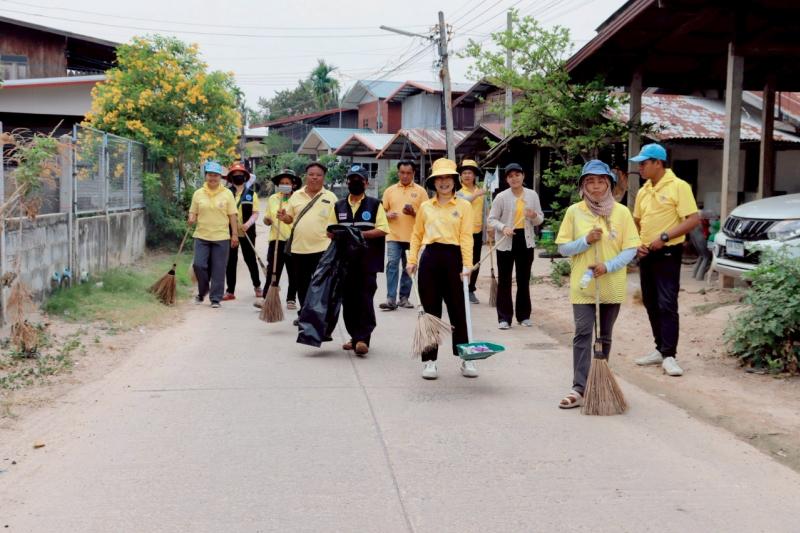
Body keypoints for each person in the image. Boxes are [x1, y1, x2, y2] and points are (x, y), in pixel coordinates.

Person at [555, 160, 640, 409]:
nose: (595, 186)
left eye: (601, 181)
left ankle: (599, 382)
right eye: (590, 181)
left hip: (611, 283)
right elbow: (563, 248)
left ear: (609, 184)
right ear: (583, 185)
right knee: (583, 332)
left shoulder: (621, 213)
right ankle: (579, 388)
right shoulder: (574, 212)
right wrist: (585, 240)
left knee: (605, 335)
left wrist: (608, 266)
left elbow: (631, 249)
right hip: (583, 286)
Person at [630, 143, 700, 377]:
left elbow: (693, 219)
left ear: (658, 163)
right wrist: (637, 243)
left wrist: (664, 237)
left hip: (668, 252)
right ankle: (660, 349)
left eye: (643, 163)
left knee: (667, 303)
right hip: (646, 254)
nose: (640, 168)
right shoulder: (643, 191)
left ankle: (670, 355)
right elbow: (636, 221)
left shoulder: (679, 186)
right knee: (650, 301)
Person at [407, 158, 475, 380]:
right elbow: (416, 235)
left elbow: (466, 237)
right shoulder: (425, 206)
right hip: (430, 258)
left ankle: (466, 359)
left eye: (448, 178)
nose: (444, 182)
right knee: (430, 312)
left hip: (454, 258)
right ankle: (430, 361)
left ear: (455, 180)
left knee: (458, 311)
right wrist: (412, 260)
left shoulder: (464, 206)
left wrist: (467, 265)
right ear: (433, 182)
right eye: (439, 178)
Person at [327, 164, 389, 356]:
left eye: (359, 179)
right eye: (352, 179)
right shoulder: (338, 205)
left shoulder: (375, 204)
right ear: (347, 182)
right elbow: (330, 231)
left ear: (366, 183)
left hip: (367, 262)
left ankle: (363, 339)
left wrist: (359, 235)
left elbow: (383, 229)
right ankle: (355, 336)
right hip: (344, 262)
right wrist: (339, 234)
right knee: (349, 301)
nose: (355, 182)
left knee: (364, 299)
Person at [276, 161, 338, 324]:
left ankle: (319, 315)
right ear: (306, 176)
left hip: (323, 248)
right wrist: (284, 217)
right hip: (299, 248)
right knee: (302, 284)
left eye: (318, 175)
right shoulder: (296, 195)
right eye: (311, 174)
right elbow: (290, 218)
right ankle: (304, 313)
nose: (314, 178)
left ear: (324, 177)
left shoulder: (331, 197)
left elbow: (337, 222)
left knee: (321, 284)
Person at [486, 163, 544, 329]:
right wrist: (503, 227)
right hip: (506, 242)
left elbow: (539, 219)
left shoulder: (532, 195)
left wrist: (533, 215)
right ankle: (504, 318)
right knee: (504, 281)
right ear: (507, 179)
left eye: (517, 175)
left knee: (523, 280)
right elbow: (491, 219)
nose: (514, 178)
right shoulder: (501, 197)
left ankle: (524, 316)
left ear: (523, 176)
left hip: (526, 241)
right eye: (510, 176)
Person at [188, 161, 239, 308]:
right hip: (201, 235)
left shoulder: (227, 194)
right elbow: (193, 211)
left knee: (219, 269)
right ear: (206, 176)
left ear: (220, 177)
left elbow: (232, 216)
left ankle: (215, 298)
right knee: (198, 265)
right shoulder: (198, 193)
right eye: (210, 175)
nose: (213, 178)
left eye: (216, 175)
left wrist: (235, 234)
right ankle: (203, 289)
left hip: (221, 237)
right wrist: (191, 218)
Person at [380, 160, 428, 311]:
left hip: (413, 237)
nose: (405, 176)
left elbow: (427, 215)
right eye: (402, 172)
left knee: (409, 267)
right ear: (398, 173)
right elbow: (380, 212)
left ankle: (404, 298)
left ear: (414, 173)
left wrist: (414, 213)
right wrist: (387, 215)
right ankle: (390, 299)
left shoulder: (421, 192)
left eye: (408, 173)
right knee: (392, 264)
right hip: (393, 236)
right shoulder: (389, 191)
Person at [257, 169, 301, 309]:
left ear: (293, 184)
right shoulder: (273, 198)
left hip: (293, 240)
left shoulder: (298, 199)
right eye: (282, 183)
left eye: (287, 183)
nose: (284, 185)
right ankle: (267, 298)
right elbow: (267, 218)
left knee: (293, 271)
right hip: (276, 240)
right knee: (273, 270)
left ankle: (291, 299)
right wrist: (267, 220)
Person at [223, 162, 261, 301]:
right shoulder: (226, 193)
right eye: (235, 175)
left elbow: (255, 213)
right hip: (230, 232)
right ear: (231, 178)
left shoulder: (251, 194)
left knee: (250, 259)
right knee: (231, 261)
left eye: (240, 174)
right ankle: (230, 291)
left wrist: (248, 224)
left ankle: (257, 286)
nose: (238, 176)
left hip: (247, 232)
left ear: (245, 177)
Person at [456, 159, 487, 304]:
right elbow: (463, 202)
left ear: (474, 175)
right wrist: (477, 194)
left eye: (470, 173)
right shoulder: (457, 191)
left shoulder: (480, 191)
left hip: (477, 231)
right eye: (464, 173)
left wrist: (489, 228)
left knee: (475, 261)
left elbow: (485, 210)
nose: (467, 176)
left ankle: (470, 289)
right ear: (460, 176)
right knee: (459, 261)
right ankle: (457, 289)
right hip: (461, 232)